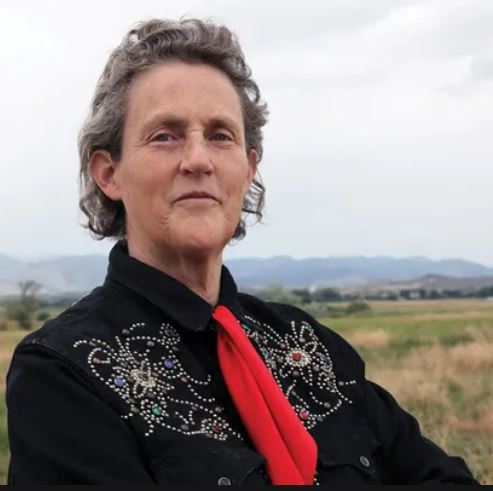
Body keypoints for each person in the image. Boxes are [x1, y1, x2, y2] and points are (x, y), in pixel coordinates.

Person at [6, 18, 478, 485]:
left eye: (220, 135)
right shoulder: (64, 372)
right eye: (165, 135)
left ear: (248, 169)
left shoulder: (306, 345)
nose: (198, 160)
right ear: (109, 174)